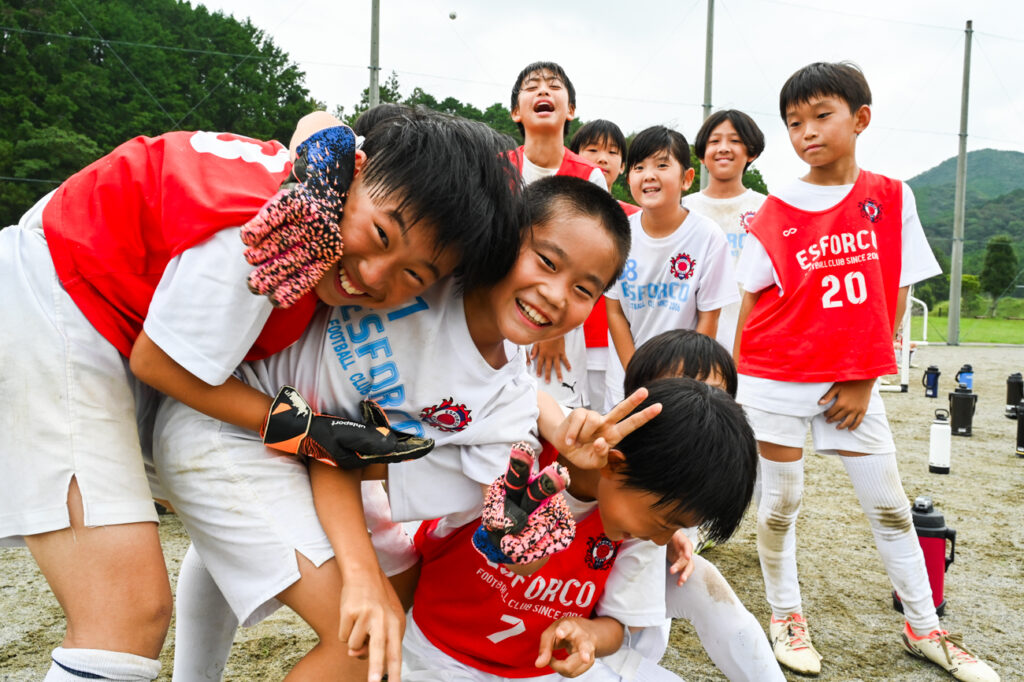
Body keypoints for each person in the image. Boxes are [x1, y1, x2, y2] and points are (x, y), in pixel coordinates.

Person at [0, 109, 523, 682]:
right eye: (379, 235)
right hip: (62, 299)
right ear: (356, 172)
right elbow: (161, 364)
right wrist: (310, 432)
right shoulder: (279, 227)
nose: (375, 275)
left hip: (96, 316)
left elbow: (322, 122)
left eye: (414, 276)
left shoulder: (322, 185)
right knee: (123, 612)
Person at [155, 175, 632, 681]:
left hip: (306, 443)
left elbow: (505, 474)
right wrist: (360, 574)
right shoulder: (427, 277)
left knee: (401, 586)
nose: (556, 294)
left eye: (583, 289)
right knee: (361, 643)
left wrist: (519, 544)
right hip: (231, 424)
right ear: (505, 236)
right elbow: (333, 443)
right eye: (547, 261)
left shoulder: (504, 394)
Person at [734, 61, 999, 682]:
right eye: (794, 123)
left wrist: (865, 378)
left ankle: (925, 628)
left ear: (861, 118)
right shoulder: (775, 209)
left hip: (854, 378)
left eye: (821, 116)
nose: (807, 132)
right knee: (781, 502)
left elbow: (896, 295)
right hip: (776, 374)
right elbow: (751, 304)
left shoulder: (890, 195)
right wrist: (738, 379)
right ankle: (786, 616)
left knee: (890, 506)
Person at [402, 377, 758, 681]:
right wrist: (558, 425)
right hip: (434, 657)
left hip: (536, 671)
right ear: (615, 465)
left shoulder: (638, 532)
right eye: (665, 524)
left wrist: (588, 634)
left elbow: (619, 626)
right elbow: (518, 392)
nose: (664, 540)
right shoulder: (517, 460)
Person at [619, 330, 785, 682]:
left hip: (621, 627)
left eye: (713, 397)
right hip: (574, 618)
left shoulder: (708, 470)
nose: (697, 407)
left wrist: (668, 534)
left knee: (701, 577)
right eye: (680, 391)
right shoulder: (611, 453)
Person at [603, 125, 739, 411]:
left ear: (687, 178)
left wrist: (683, 375)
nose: (649, 175)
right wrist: (638, 373)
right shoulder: (619, 234)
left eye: (662, 165)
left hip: (686, 375)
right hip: (627, 375)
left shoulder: (707, 236)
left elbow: (708, 319)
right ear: (629, 178)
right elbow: (614, 312)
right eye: (639, 167)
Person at [507, 61, 607, 410]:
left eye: (554, 85)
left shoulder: (589, 178)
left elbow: (589, 264)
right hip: (503, 316)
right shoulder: (498, 169)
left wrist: (554, 330)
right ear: (516, 112)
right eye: (532, 86)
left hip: (559, 326)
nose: (543, 90)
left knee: (557, 421)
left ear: (571, 109)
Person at [682, 109, 767, 354]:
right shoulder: (684, 208)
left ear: (752, 152)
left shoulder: (766, 209)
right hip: (692, 341)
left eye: (735, 141)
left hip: (751, 341)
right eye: (714, 141)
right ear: (701, 154)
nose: (723, 148)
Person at [569, 119, 639, 413]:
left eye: (612, 152)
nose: (602, 158)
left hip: (611, 345)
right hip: (563, 341)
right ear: (573, 158)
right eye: (592, 149)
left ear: (623, 164)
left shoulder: (636, 219)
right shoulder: (558, 215)